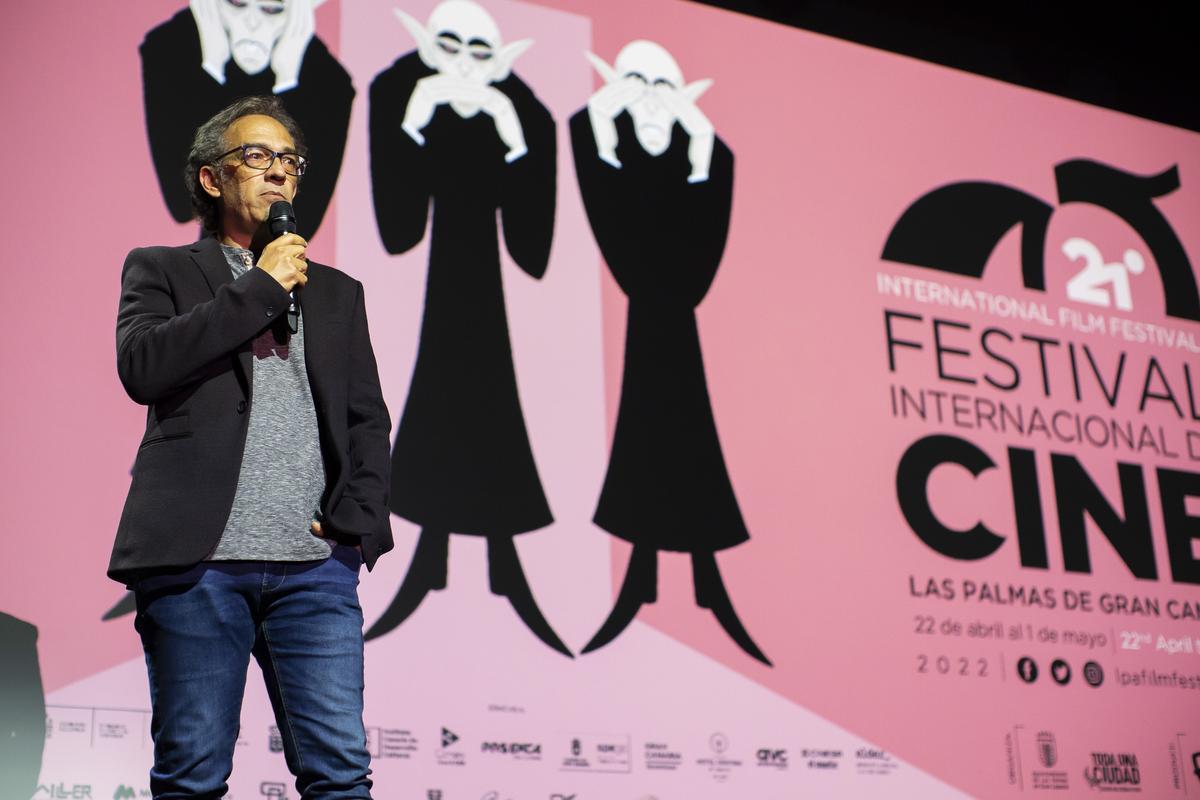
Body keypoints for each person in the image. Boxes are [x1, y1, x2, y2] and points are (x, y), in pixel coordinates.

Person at [108, 95, 392, 799]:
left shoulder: (335, 293)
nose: (278, 175)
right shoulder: (162, 270)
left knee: (341, 775)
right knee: (193, 775)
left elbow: (367, 420)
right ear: (212, 179)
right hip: (197, 566)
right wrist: (261, 286)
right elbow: (144, 368)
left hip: (314, 571)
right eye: (256, 157)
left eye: (289, 163)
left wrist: (355, 521)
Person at [364, 1, 570, 656]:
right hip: (440, 277)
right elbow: (398, 227)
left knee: (486, 383)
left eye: (480, 50)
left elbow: (533, 245)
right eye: (448, 42)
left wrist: (511, 135)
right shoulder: (400, 90)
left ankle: (497, 560)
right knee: (442, 382)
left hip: (487, 283)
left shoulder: (526, 110)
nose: (462, 61)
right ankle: (431, 558)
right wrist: (418, 121)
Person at [570, 41, 770, 665]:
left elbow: (697, 268)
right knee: (655, 423)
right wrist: (599, 127)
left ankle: (687, 576)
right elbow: (619, 242)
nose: (652, 98)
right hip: (649, 328)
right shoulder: (613, 146)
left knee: (681, 423)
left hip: (672, 329)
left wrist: (705, 144)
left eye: (664, 84)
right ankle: (656, 573)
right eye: (635, 81)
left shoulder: (700, 155)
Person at [141, 0, 353, 239]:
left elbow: (305, 220)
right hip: (213, 262)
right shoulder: (168, 45)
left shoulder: (329, 79)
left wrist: (288, 80)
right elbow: (181, 203)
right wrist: (211, 66)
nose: (252, 22)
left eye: (271, 9)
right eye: (238, 4)